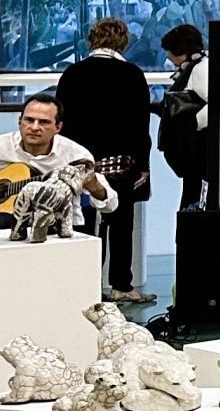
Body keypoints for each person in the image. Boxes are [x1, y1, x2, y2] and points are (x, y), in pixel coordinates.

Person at [53, 17, 154, 303]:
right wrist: (143, 165)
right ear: (123, 41)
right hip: (121, 161)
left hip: (80, 161)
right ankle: (122, 285)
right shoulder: (132, 75)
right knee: (121, 222)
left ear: (92, 39)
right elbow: (140, 124)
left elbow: (63, 121)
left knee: (83, 223)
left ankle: (86, 286)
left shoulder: (72, 73)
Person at [0, 91, 118, 225]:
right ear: (19, 121)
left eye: (44, 122)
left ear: (58, 127)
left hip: (59, 228)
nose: (34, 127)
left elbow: (111, 204)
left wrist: (94, 186)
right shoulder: (3, 144)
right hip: (5, 228)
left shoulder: (76, 155)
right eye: (29, 120)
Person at [158, 23, 220, 210]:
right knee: (195, 197)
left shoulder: (201, 69)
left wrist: (192, 124)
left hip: (212, 146)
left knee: (208, 201)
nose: (168, 57)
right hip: (205, 146)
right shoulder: (199, 67)